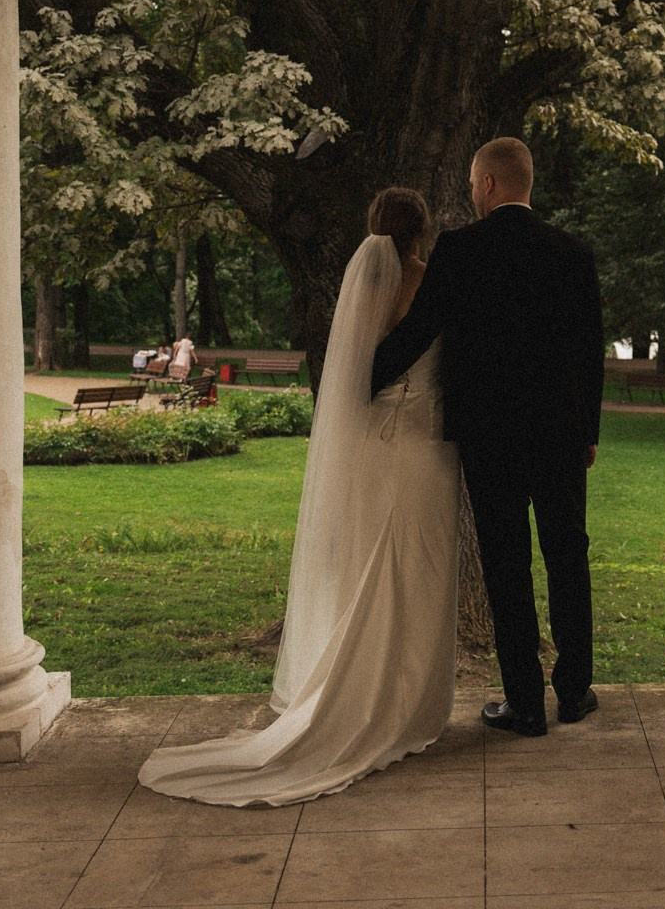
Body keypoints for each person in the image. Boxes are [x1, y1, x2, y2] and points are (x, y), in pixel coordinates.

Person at [140, 188, 458, 805]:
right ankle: (401, 701)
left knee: (370, 570)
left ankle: (360, 691)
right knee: (415, 572)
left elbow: (352, 372)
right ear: (423, 229)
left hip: (372, 448)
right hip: (423, 448)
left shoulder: (363, 287)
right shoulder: (436, 283)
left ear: (375, 226)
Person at [371, 136, 605, 738]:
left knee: (506, 565)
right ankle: (575, 691)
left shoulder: (460, 250)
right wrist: (590, 433)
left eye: (476, 184)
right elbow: (588, 356)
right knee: (567, 555)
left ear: (491, 185)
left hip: (489, 437)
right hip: (560, 437)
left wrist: (359, 377)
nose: (474, 193)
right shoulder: (572, 252)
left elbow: (419, 331)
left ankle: (525, 703)